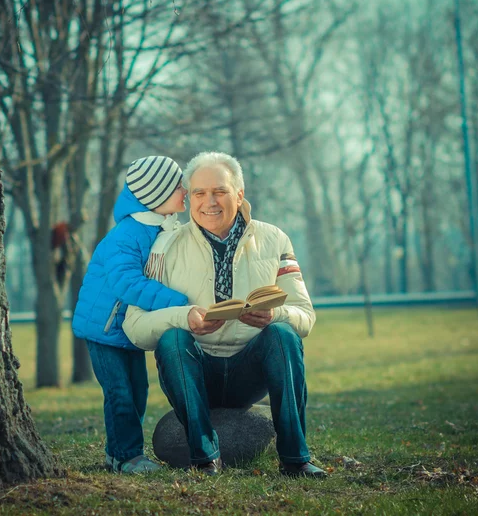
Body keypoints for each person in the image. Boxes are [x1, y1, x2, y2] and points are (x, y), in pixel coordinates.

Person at [123, 152, 325, 478]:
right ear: (189, 199)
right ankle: (205, 459)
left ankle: (295, 459)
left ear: (239, 194)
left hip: (250, 370)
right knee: (173, 338)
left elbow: (305, 315)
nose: (209, 202)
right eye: (199, 193)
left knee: (283, 334)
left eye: (220, 191)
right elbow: (134, 326)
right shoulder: (163, 247)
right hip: (197, 370)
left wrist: (273, 314)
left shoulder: (274, 240)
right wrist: (184, 317)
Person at [72, 155, 189, 474]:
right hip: (104, 329)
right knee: (120, 393)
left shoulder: (160, 228)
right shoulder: (128, 234)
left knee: (138, 391)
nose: (186, 191)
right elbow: (127, 282)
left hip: (127, 330)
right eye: (179, 186)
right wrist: (178, 301)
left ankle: (117, 453)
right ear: (156, 195)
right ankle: (127, 456)